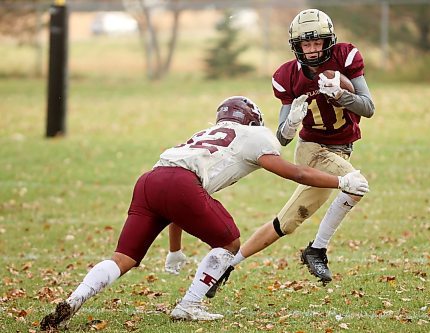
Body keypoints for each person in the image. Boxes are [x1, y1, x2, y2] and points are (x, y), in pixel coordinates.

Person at [40, 96, 369, 329]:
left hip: (150, 181)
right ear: (252, 120)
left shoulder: (201, 138)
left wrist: (175, 250)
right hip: (180, 185)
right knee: (229, 242)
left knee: (123, 257)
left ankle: (75, 299)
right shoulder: (252, 134)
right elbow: (293, 172)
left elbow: (174, 195)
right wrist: (341, 179)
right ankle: (189, 305)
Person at [205, 8, 375, 297]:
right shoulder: (288, 76)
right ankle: (318, 249)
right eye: (305, 45)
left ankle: (227, 266)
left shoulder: (345, 58)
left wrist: (342, 96)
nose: (311, 50)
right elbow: (283, 139)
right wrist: (292, 123)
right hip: (312, 151)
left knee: (286, 222)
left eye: (317, 43)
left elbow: (368, 108)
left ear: (328, 42)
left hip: (340, 150)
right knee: (355, 185)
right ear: (297, 47)